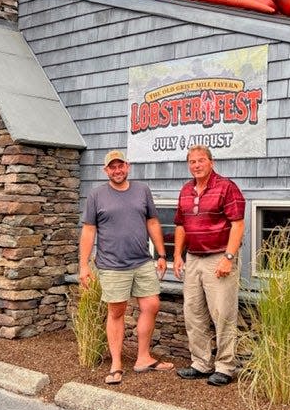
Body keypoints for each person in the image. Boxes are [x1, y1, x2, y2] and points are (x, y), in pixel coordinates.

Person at [78, 150, 173, 385]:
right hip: (112, 264)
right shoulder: (97, 195)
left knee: (151, 305)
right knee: (116, 312)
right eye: (112, 167)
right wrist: (83, 265)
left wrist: (162, 254)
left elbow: (152, 222)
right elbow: (89, 231)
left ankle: (143, 358)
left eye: (121, 166)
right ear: (105, 170)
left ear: (127, 166)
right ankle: (116, 364)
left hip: (142, 261)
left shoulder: (142, 190)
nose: (117, 170)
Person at [173, 145, 245, 386]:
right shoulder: (185, 190)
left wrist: (229, 257)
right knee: (193, 312)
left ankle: (225, 366)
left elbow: (237, 224)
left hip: (219, 258)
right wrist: (177, 255)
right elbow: (181, 225)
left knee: (222, 313)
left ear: (211, 162)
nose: (196, 165)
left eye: (201, 160)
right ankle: (201, 363)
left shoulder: (226, 187)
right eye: (192, 161)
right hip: (193, 258)